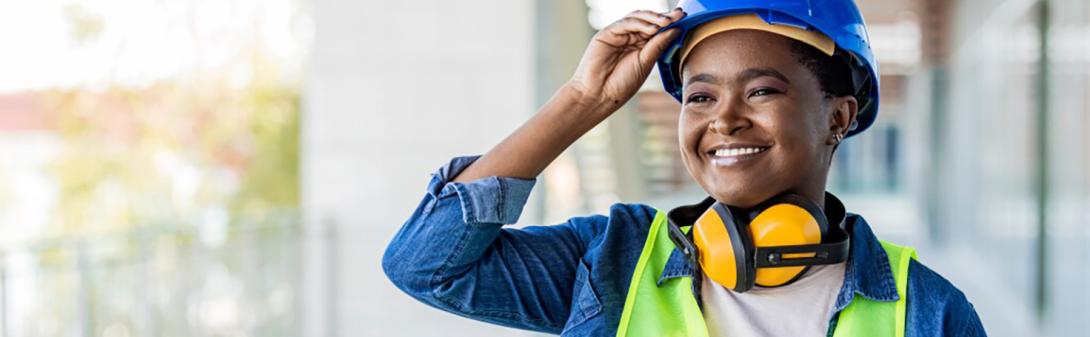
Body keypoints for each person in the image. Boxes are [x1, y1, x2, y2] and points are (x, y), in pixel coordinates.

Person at [382, 0, 986, 336]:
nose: (723, 120)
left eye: (761, 92)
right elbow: (425, 266)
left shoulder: (927, 311)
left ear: (838, 117)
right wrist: (583, 103)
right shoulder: (612, 259)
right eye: (699, 96)